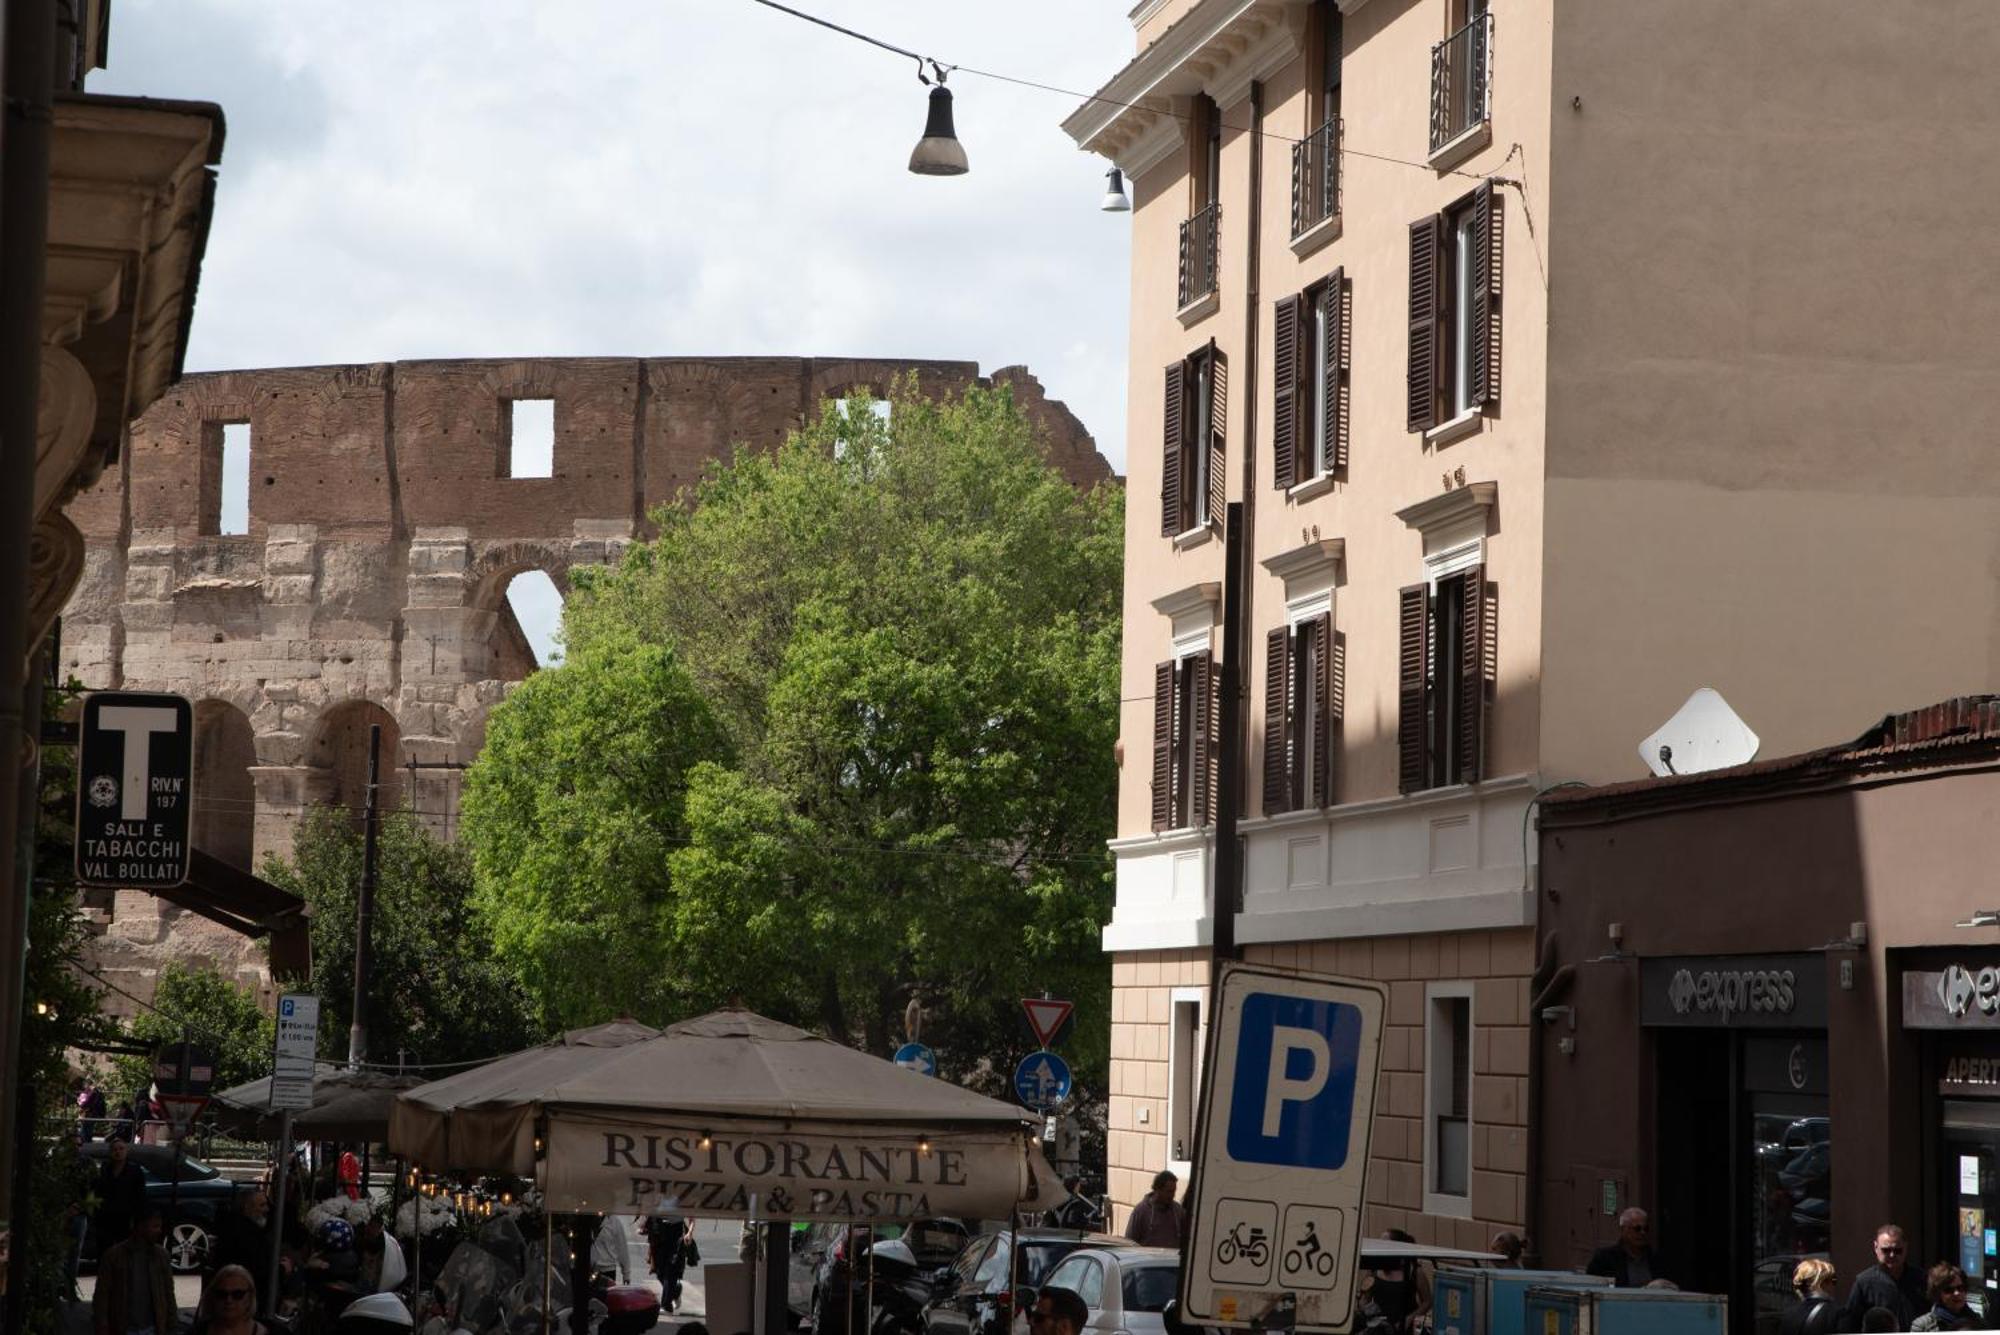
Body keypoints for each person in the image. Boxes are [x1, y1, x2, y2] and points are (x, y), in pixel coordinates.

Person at [93, 1207, 176, 1335]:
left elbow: (168, 1293)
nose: (159, 1231)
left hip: (152, 1328)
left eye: (160, 1226)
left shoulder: (162, 1256)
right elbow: (102, 1295)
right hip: (125, 1328)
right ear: (140, 1227)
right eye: (154, 1226)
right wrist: (102, 1325)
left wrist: (171, 1325)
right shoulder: (114, 1256)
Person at [1845, 1225, 1927, 1330]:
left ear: (1905, 1248)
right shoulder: (1864, 1282)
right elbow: (1850, 1322)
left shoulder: (1920, 1278)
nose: (1892, 1255)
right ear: (1875, 1247)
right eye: (1886, 1250)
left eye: (1898, 1250)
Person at [94, 1135, 149, 1249]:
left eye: (121, 1149)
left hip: (126, 1218)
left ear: (126, 1151)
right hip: (106, 1218)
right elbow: (98, 1191)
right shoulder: (105, 1169)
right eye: (115, 1149)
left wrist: (137, 1219)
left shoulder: (135, 1171)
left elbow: (140, 1196)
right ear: (110, 1152)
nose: (118, 1152)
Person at [1587, 1208, 1664, 1289]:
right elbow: (1592, 1286)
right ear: (1623, 1229)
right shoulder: (1604, 1258)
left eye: (1646, 1229)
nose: (1642, 1233)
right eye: (1637, 1229)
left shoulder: (1655, 1258)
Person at [194, 1264, 270, 1335]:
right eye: (222, 1294)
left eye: (237, 1294)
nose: (229, 1300)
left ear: (250, 1297)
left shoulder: (272, 1331)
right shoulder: (197, 1331)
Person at [1779, 1258, 1843, 1335]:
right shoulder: (1836, 1313)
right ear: (1822, 1283)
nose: (1834, 1285)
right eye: (1833, 1280)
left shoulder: (1789, 1314)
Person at [1123, 1170, 1187, 1248]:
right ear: (1157, 1190)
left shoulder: (1178, 1211)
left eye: (1174, 1191)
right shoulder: (1141, 1211)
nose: (1172, 1195)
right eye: (1169, 1192)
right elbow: (1129, 1241)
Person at [1911, 1264, 1977, 1332]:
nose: (1957, 1293)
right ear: (1938, 1294)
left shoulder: (1978, 1322)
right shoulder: (1922, 1326)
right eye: (1949, 1290)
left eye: (1960, 1288)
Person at [645, 1213, 689, 1313]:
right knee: (659, 1271)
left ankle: (666, 1304)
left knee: (671, 1270)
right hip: (659, 1230)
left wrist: (690, 1231)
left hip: (675, 1230)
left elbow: (691, 1214)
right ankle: (675, 1291)